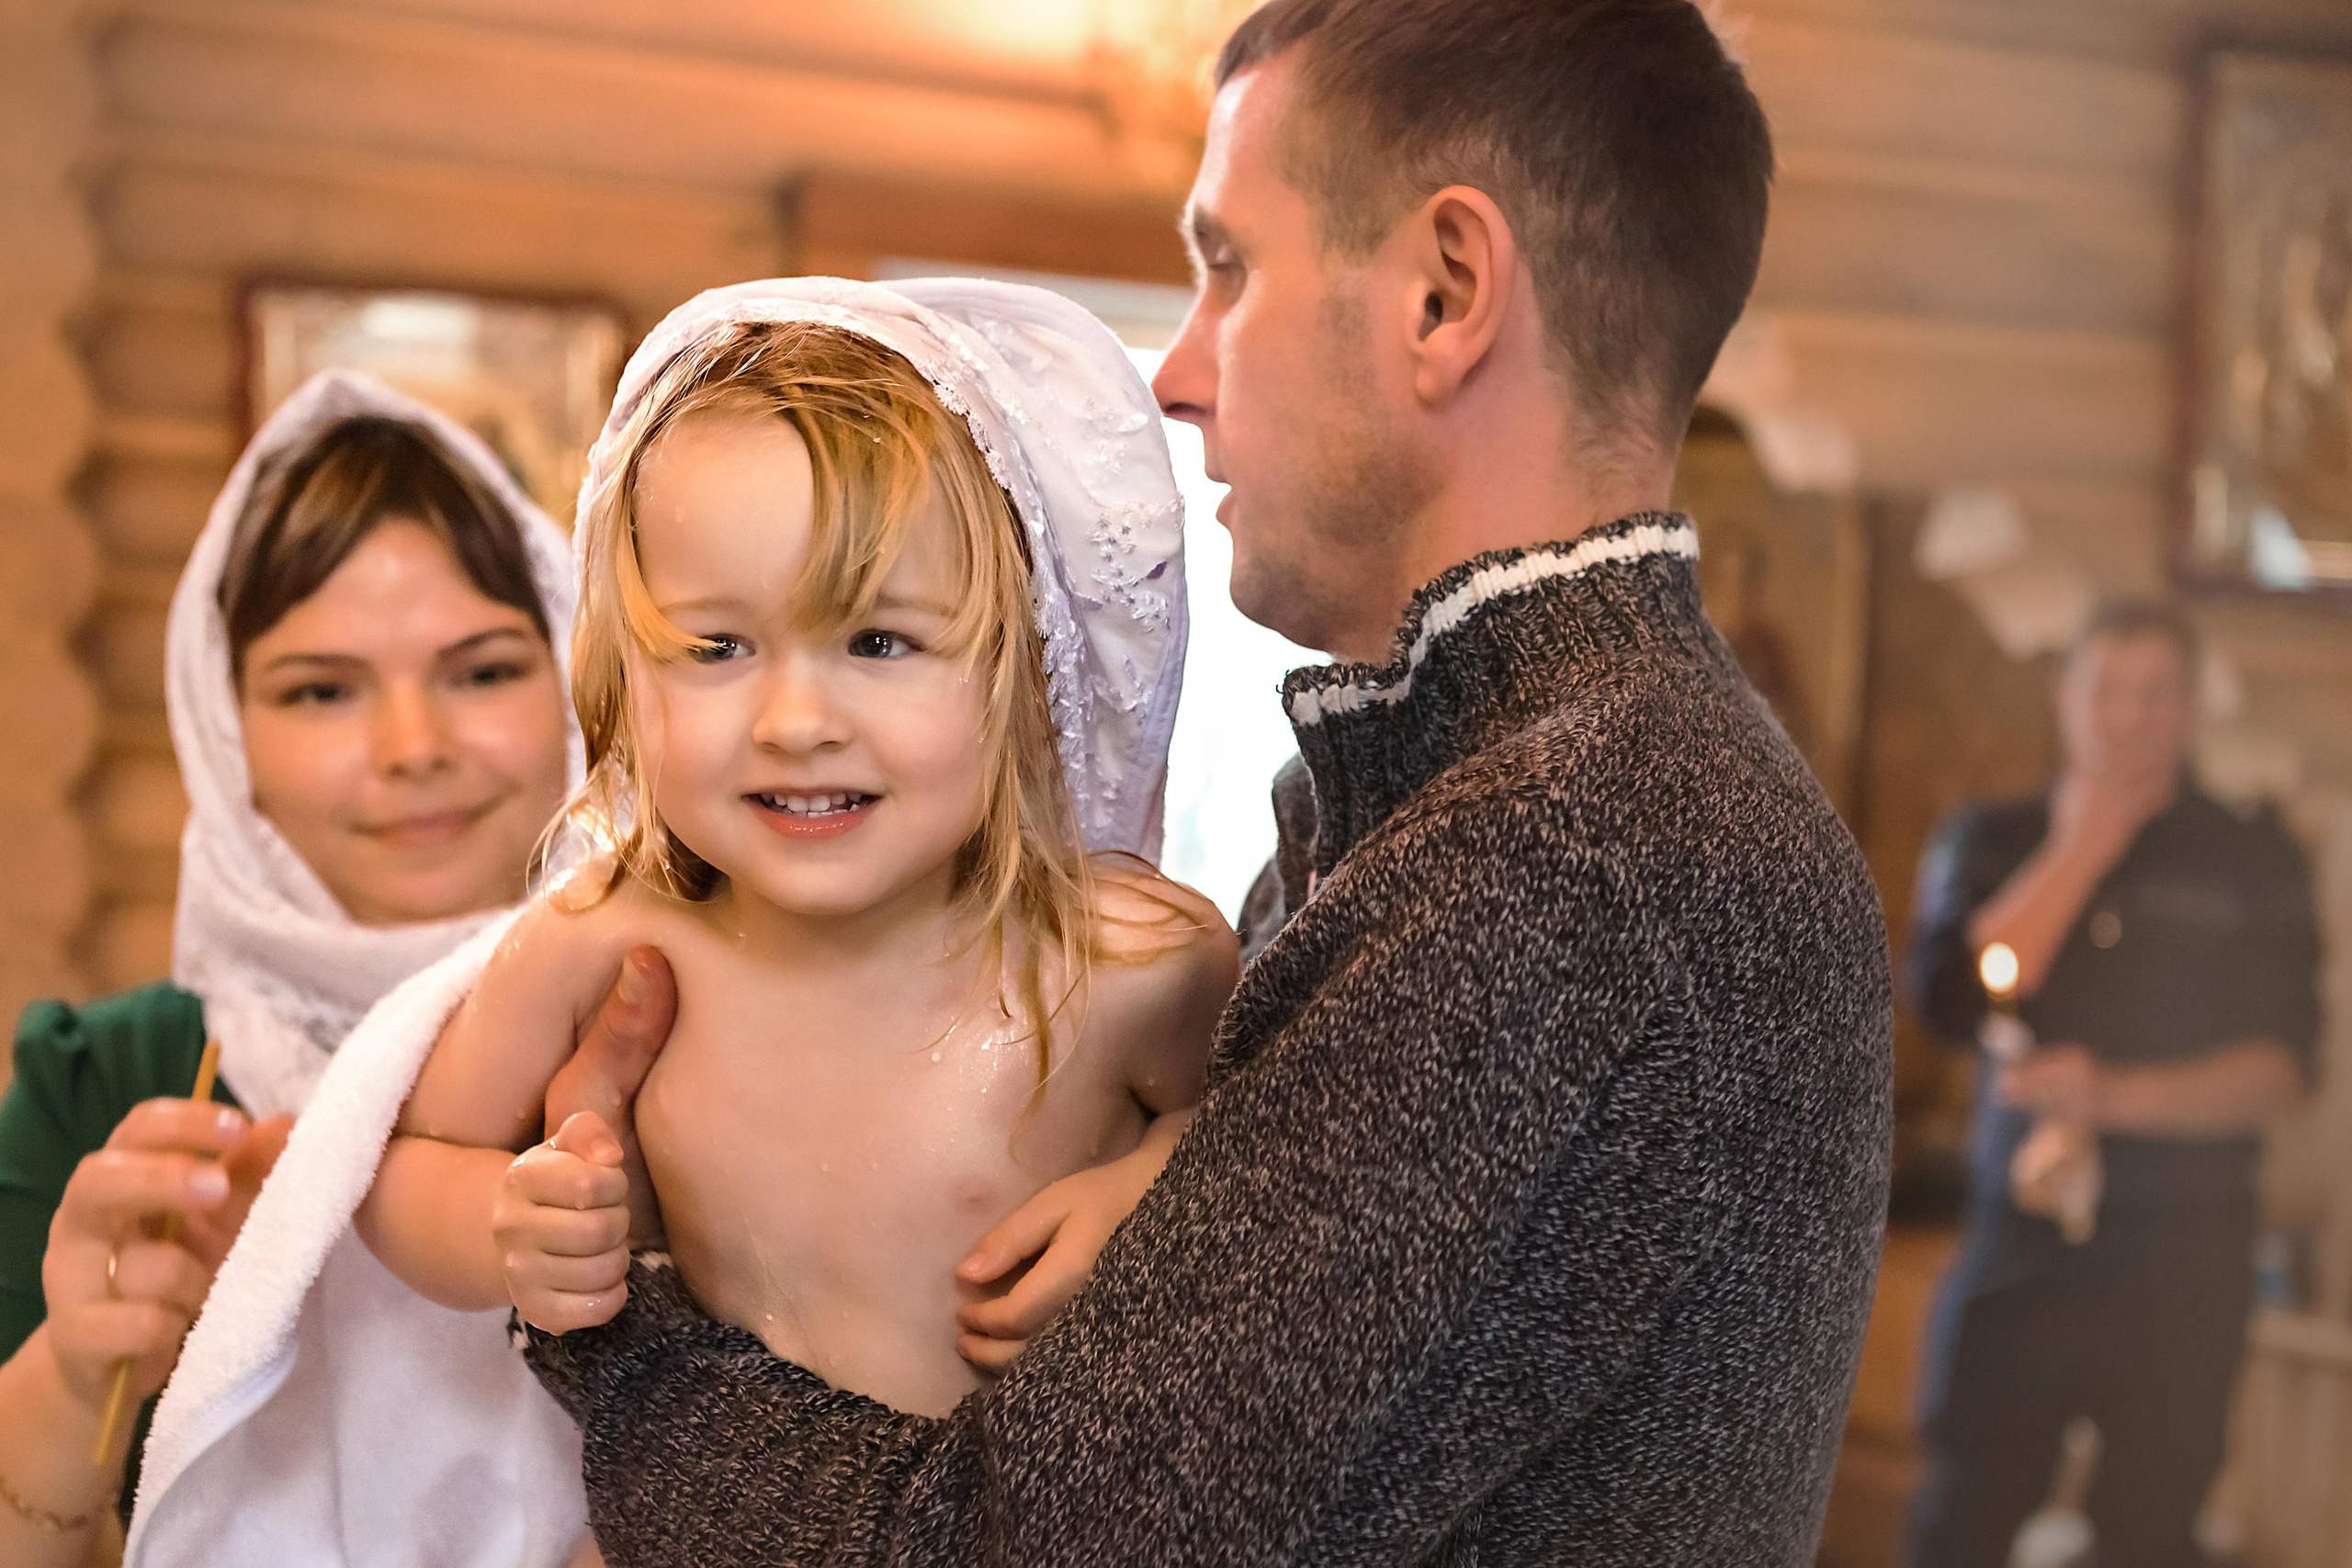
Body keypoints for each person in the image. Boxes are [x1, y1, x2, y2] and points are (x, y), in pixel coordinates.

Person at [518, 2, 1895, 1562]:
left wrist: (610, 1321)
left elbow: (1001, 1549)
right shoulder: (1498, 791)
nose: (1175, 372)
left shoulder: (1575, 862)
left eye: (1229, 267)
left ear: (1445, 293)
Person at [356, 282, 1236, 1425]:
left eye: (880, 640)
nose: (794, 720)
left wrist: (1146, 1191)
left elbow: (1265, 1158)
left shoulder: (1130, 959)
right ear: (625, 669)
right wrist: (506, 1226)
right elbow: (402, 1164)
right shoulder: (609, 936)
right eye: (715, 647)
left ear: (1023, 664)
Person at [0, 369, 580, 1564]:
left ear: (578, 684)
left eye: (482, 669)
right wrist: (74, 1370)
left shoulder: (682, 1023)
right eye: (321, 690)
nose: (413, 747)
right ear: (227, 735)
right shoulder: (113, 1082)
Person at [1903, 601, 2319, 1568]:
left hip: (2182, 1256)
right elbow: (1949, 1003)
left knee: (2149, 1528)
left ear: (2190, 709)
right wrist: (2081, 845)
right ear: (2065, 699)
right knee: (1958, 1516)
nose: (2127, 720)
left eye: (2154, 694)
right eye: (2106, 692)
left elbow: (2282, 1069)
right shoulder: (1992, 835)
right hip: (2017, 1250)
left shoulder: (2253, 857)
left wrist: (2110, 1097)